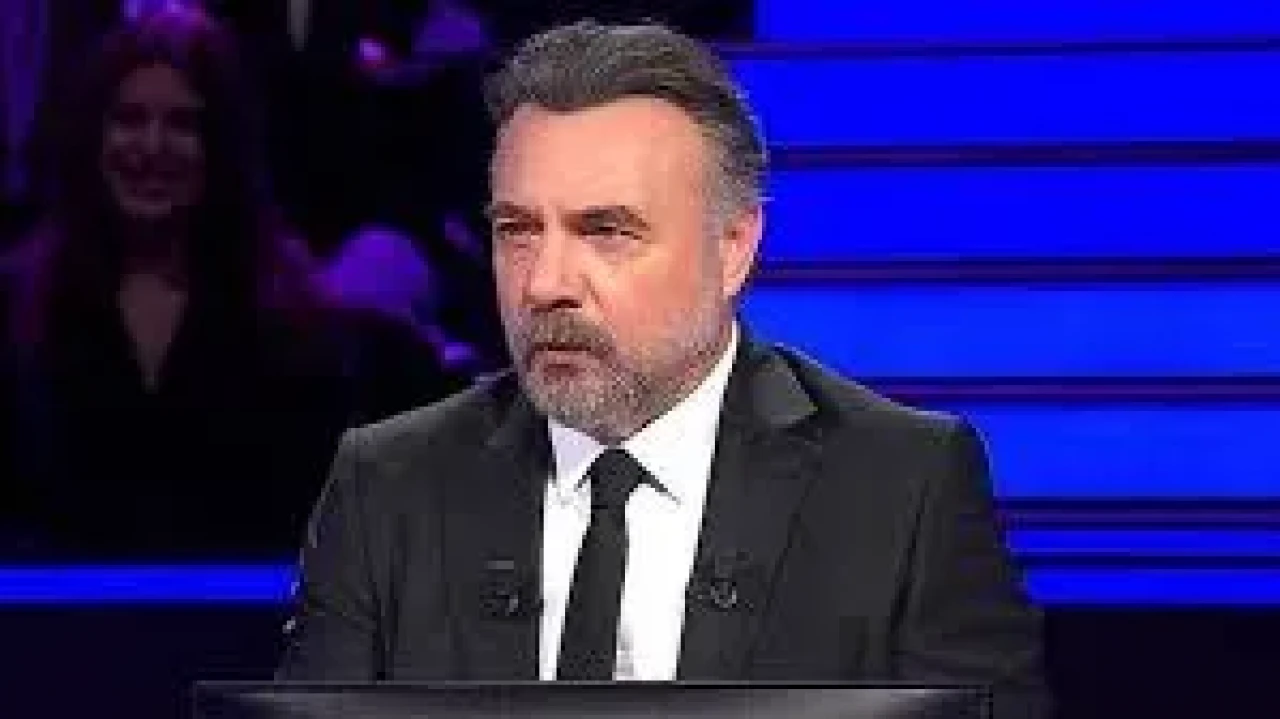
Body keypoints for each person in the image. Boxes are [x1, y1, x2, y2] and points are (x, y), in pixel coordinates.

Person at [276, 20, 1048, 718]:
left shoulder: (903, 486)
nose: (545, 282)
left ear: (733, 247)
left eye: (605, 231)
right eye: (518, 230)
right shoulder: (387, 487)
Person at [0, 8, 460, 558]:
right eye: (129, 119)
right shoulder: (21, 308)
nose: (152, 147)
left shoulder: (293, 319)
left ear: (220, 146)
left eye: (182, 124)